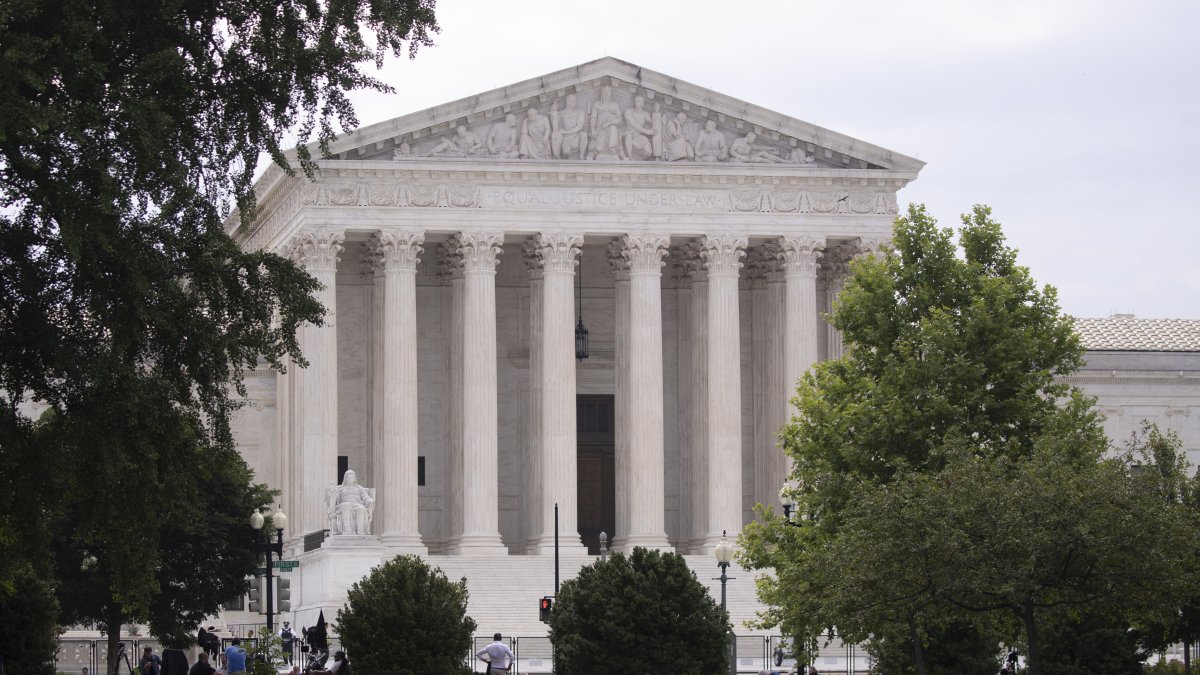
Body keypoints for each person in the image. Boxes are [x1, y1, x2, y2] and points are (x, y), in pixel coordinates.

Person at [325, 469, 374, 535]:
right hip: (344, 505)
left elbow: (365, 497)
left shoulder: (359, 488)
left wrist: (369, 500)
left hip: (357, 504)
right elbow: (334, 497)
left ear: (354, 478)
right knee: (347, 505)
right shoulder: (340, 488)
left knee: (361, 508)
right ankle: (347, 529)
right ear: (345, 478)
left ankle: (361, 531)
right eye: (349, 477)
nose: (350, 479)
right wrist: (331, 492)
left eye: (352, 477)